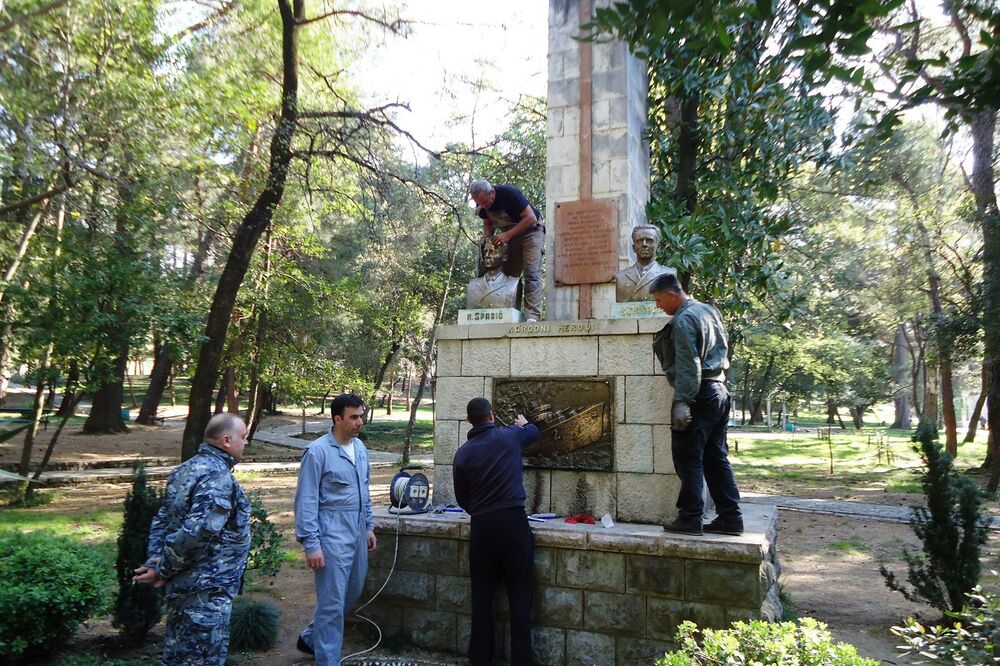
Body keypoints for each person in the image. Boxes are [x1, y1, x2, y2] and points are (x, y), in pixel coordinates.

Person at [133, 413, 251, 666]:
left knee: (178, 656)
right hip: (204, 592)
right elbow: (197, 533)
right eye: (243, 437)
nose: (246, 442)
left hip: (185, 588)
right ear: (226, 440)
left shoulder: (185, 469)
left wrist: (156, 561)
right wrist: (162, 568)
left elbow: (161, 520)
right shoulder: (216, 477)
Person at [649, 273, 743, 536]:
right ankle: (731, 518)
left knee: (688, 458)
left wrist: (683, 401)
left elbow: (689, 364)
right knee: (716, 458)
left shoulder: (684, 319)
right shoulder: (709, 311)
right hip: (719, 391)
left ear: (671, 295)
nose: (658, 306)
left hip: (699, 394)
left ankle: (690, 517)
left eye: (659, 300)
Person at [453, 397, 540, 665]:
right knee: (520, 596)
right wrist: (524, 423)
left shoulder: (463, 454)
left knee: (482, 598)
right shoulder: (510, 436)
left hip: (482, 527)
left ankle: (480, 659)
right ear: (491, 415)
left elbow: (462, 498)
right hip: (513, 524)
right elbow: (534, 431)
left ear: (469, 420)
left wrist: (481, 510)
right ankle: (521, 661)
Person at [295, 393, 377, 664]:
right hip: (331, 535)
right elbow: (306, 501)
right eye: (354, 417)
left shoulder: (360, 449)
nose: (360, 422)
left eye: (361, 416)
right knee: (331, 603)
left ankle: (310, 638)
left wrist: (368, 526)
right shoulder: (317, 452)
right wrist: (312, 544)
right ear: (337, 419)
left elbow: (364, 491)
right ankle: (327, 660)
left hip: (357, 532)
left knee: (352, 592)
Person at [470, 179, 544, 322]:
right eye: (480, 204)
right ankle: (509, 313)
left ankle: (533, 316)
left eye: (485, 202)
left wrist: (507, 235)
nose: (484, 206)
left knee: (531, 272)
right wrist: (488, 238)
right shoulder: (482, 206)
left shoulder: (509, 194)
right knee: (508, 276)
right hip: (509, 236)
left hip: (532, 232)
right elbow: (487, 223)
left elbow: (531, 217)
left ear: (492, 192)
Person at [614, 224, 677, 302]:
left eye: (649, 241)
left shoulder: (669, 275)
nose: (644, 244)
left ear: (658, 246)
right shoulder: (621, 277)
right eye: (639, 241)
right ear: (633, 248)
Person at [466, 241, 520, 309]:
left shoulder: (513, 283)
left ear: (505, 257)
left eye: (492, 252)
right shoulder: (473, 284)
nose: (487, 256)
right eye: (485, 252)